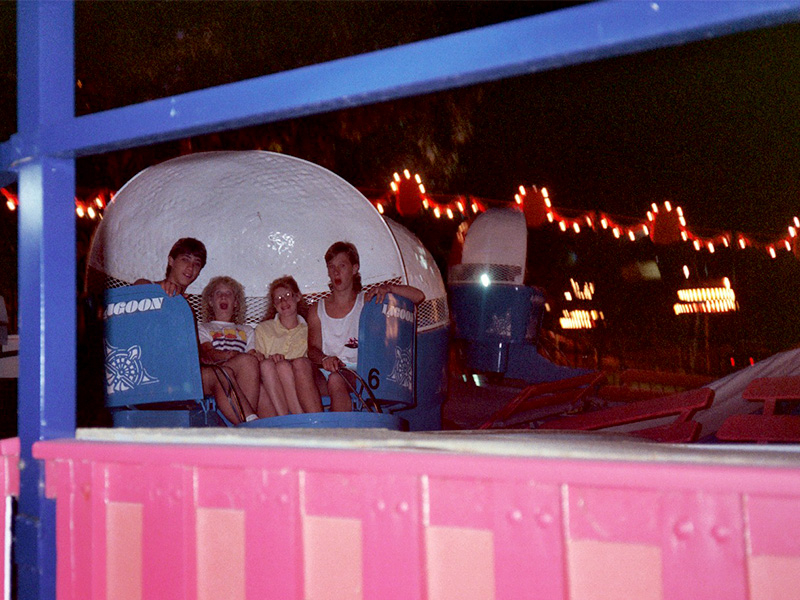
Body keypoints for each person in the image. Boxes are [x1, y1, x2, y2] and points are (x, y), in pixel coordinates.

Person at [307, 241, 425, 412]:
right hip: (326, 370)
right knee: (302, 368)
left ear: (354, 269)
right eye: (331, 267)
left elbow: (418, 296)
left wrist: (389, 289)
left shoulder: (367, 301)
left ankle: (341, 426)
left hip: (359, 372)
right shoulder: (316, 309)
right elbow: (312, 349)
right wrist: (325, 358)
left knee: (336, 379)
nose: (336, 272)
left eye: (342, 266)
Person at [197, 276, 275, 424]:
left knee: (259, 383)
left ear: (236, 303)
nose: (223, 296)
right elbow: (208, 353)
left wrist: (258, 357)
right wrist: (232, 355)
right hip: (214, 373)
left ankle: (266, 426)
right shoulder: (203, 328)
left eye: (229, 293)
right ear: (210, 301)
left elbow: (252, 355)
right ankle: (248, 422)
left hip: (240, 374)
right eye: (218, 293)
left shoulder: (247, 330)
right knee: (245, 362)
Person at [254, 276, 322, 414]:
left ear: (298, 297)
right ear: (274, 305)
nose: (283, 301)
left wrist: (284, 361)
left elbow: (308, 362)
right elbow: (258, 359)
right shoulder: (263, 329)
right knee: (268, 365)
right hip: (270, 382)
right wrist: (270, 359)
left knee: (283, 367)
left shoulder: (308, 329)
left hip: (300, 383)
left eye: (287, 295)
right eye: (278, 299)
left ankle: (297, 416)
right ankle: (285, 417)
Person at [134, 237, 207, 297]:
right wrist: (156, 291)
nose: (191, 267)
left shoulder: (190, 304)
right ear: (171, 261)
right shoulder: (147, 286)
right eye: (185, 260)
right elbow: (139, 286)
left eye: (197, 264)